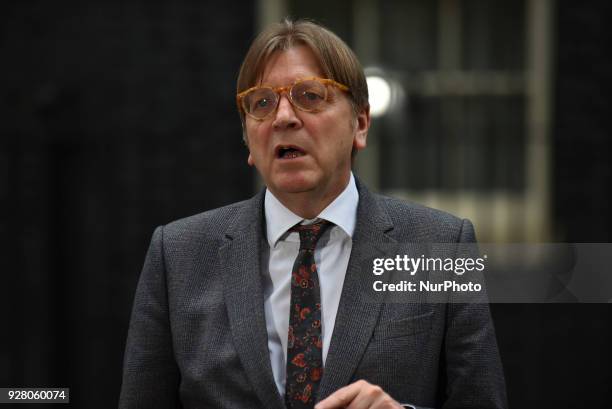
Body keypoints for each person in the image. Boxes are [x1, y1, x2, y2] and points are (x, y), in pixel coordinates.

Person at [119, 19, 507, 409]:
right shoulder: (179, 255)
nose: (283, 117)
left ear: (360, 123)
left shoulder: (439, 245)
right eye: (262, 103)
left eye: (310, 96)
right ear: (248, 141)